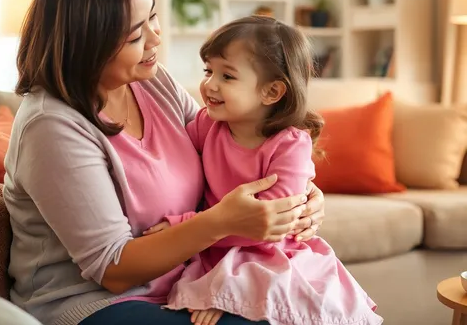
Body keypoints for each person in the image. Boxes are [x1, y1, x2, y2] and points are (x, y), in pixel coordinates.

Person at [2, 0, 325, 325]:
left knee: (311, 307)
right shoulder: (51, 126)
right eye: (136, 35)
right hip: (97, 303)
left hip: (189, 280)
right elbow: (113, 269)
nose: (156, 39)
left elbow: (227, 145)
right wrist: (221, 222)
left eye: (153, 17)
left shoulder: (152, 82)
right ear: (89, 44)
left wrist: (299, 196)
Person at [158, 17, 382, 325]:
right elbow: (169, 156)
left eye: (227, 76)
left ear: (272, 92)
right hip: (218, 244)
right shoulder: (208, 124)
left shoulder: (290, 145)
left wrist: (182, 227)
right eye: (209, 71)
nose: (210, 85)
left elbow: (267, 226)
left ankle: (232, 297)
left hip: (268, 250)